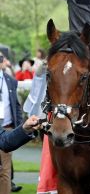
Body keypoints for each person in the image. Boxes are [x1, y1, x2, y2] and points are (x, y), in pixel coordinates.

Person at [0, 52, 39, 194]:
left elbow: (5, 142)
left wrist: (24, 127)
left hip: (7, 126)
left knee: (4, 170)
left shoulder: (10, 80)